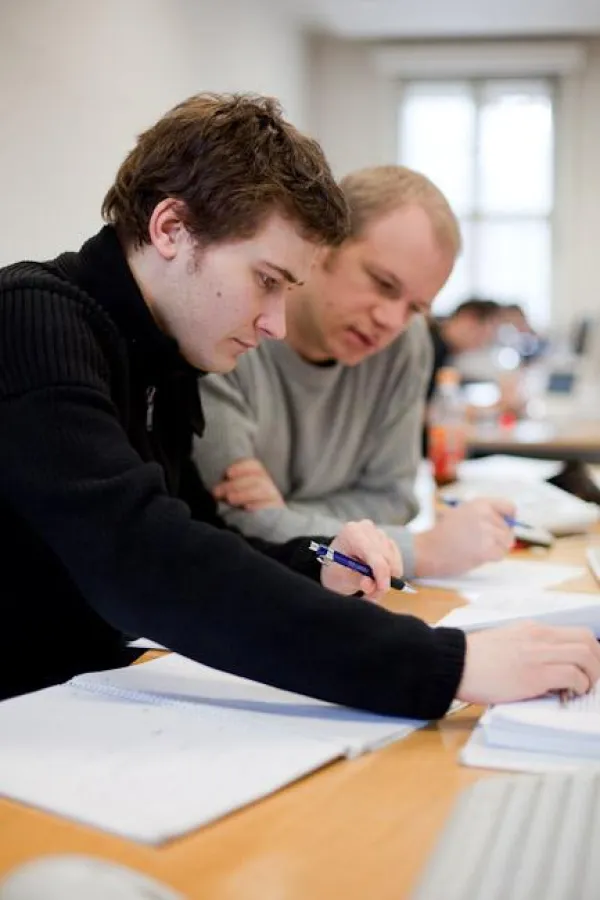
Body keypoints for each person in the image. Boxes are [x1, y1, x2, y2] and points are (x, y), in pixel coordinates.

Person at [1, 97, 599, 716]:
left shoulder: (165, 354)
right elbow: (146, 560)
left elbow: (204, 534)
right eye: (266, 280)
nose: (276, 323)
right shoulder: (32, 319)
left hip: (84, 700)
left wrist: (318, 563)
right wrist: (448, 664)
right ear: (171, 229)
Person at [195, 167, 514, 578]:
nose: (392, 321)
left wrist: (285, 514)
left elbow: (395, 500)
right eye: (383, 284)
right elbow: (234, 523)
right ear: (322, 246)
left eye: (416, 307)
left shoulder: (406, 342)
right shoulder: (232, 327)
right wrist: (420, 551)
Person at [427, 297, 502, 398]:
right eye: (483, 335)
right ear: (468, 319)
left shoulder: (446, 351)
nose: (482, 344)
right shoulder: (429, 345)